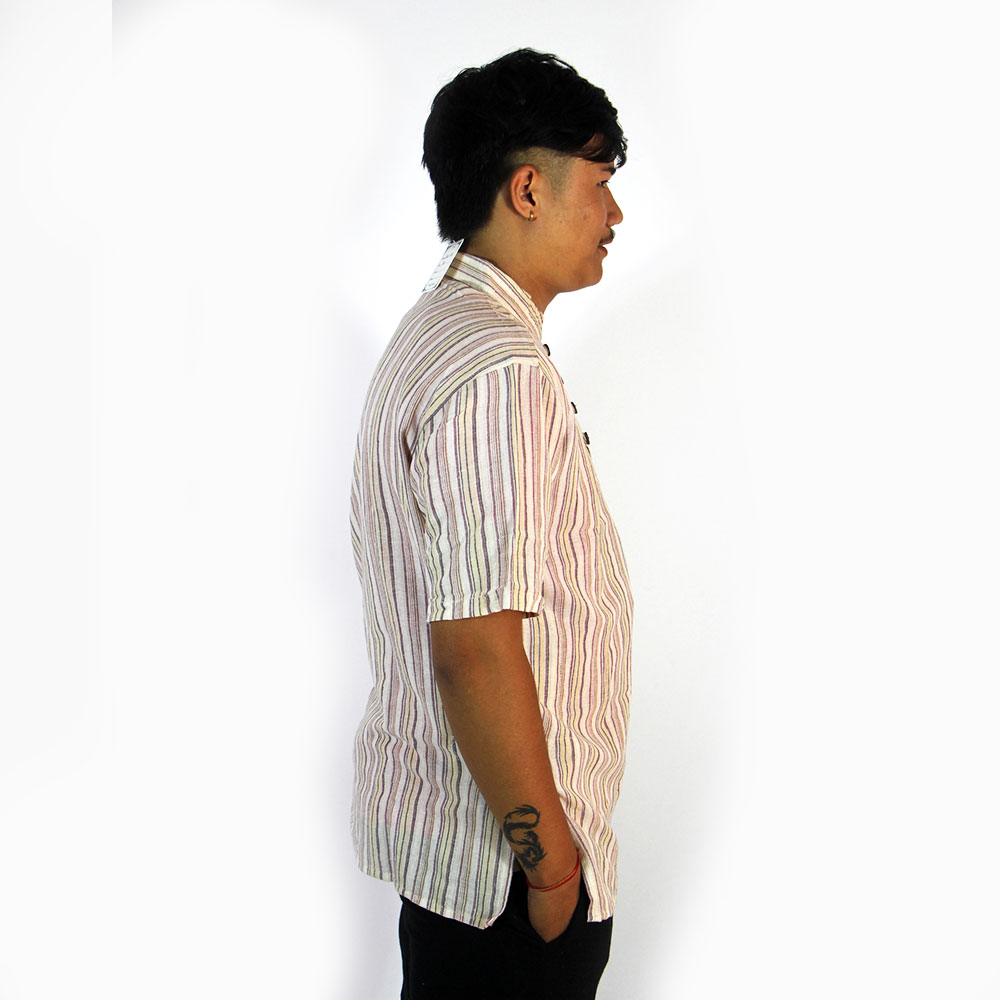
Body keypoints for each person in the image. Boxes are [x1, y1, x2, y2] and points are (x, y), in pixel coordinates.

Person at [349, 48, 633, 999]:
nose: (615, 214)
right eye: (599, 182)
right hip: (504, 886)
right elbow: (472, 649)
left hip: (463, 875)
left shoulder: (435, 329)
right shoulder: (495, 368)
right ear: (528, 190)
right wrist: (550, 869)